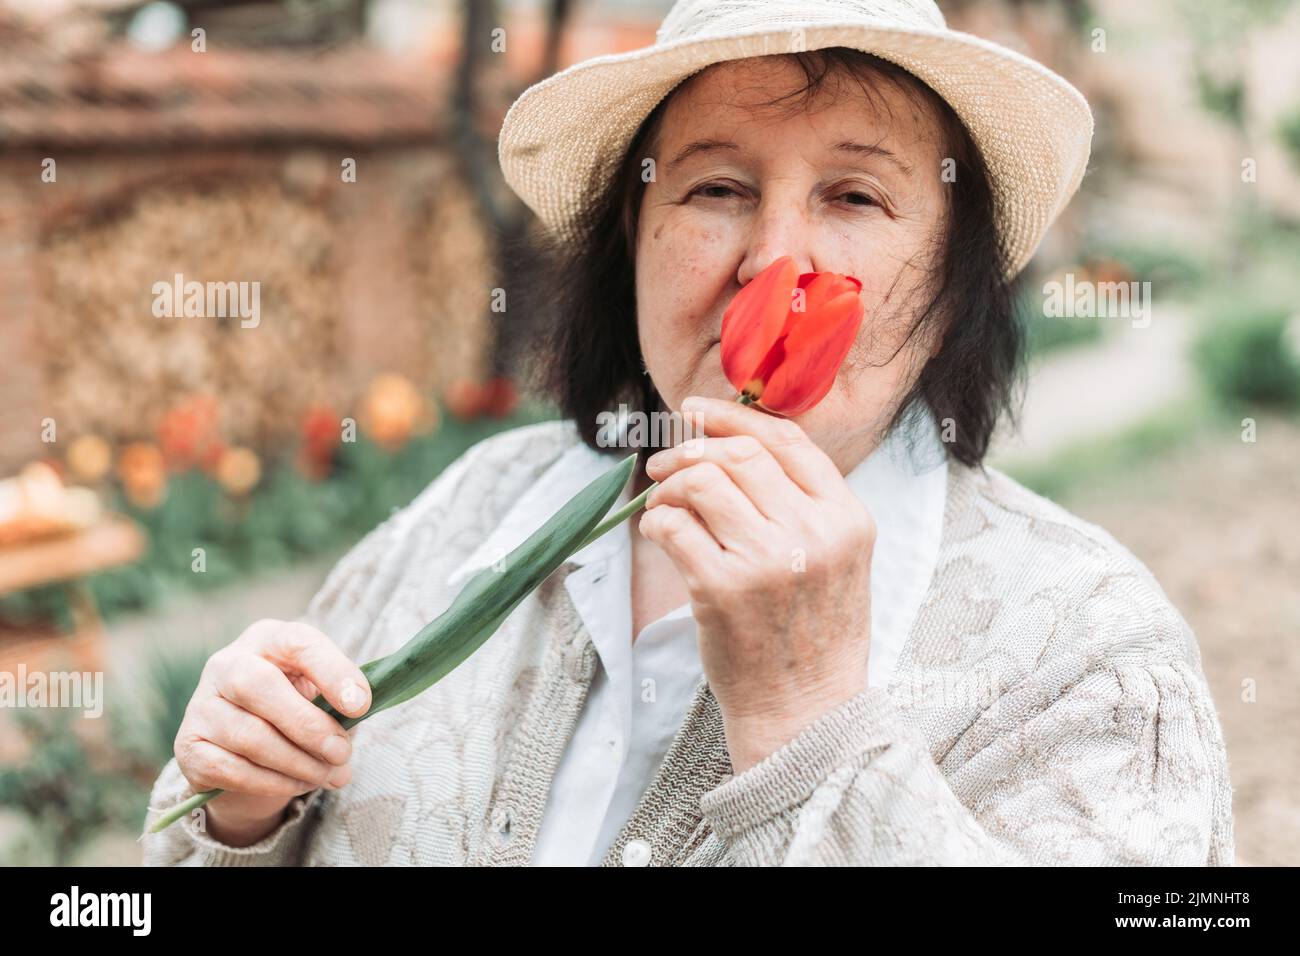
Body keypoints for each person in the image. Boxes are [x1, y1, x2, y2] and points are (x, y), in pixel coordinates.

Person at [143, 0, 1234, 866]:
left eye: (855, 197)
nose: (773, 258)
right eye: (715, 187)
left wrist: (808, 718)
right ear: (634, 240)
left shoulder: (1085, 651)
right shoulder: (470, 518)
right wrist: (240, 821)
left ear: (952, 281)